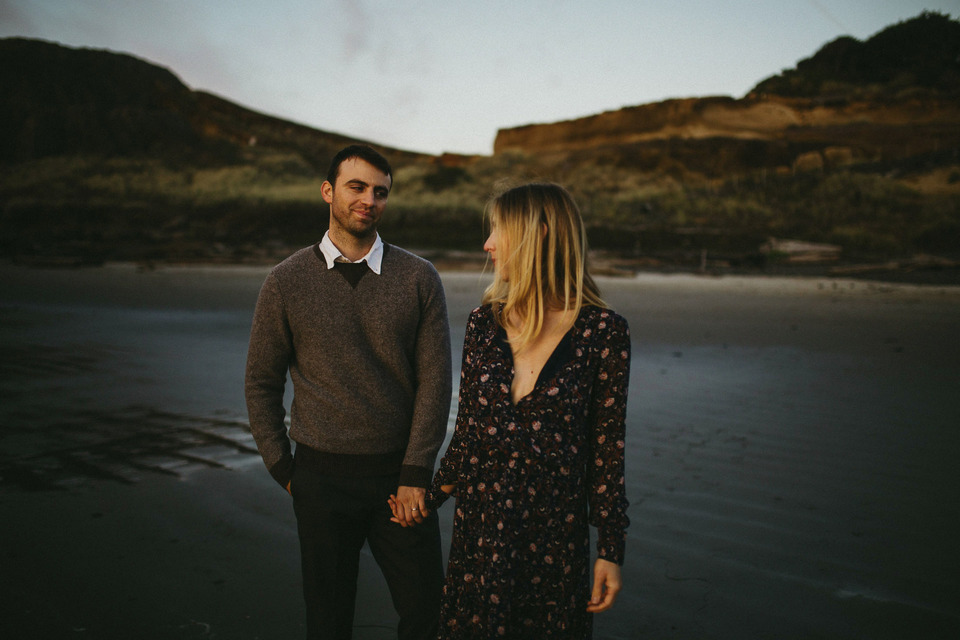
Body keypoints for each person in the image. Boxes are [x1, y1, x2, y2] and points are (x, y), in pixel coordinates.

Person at [392, 182, 631, 638]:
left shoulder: (605, 334)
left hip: (552, 548)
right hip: (479, 540)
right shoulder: (484, 324)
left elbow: (606, 455)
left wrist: (610, 551)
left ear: (538, 234)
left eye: (498, 230)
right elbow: (466, 434)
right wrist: (427, 497)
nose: (487, 244)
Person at [245, 144, 452, 640]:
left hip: (399, 481)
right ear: (328, 192)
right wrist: (283, 467)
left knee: (429, 614)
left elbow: (436, 382)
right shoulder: (285, 280)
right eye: (356, 187)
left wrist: (416, 471)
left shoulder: (419, 278)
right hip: (319, 480)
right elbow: (261, 381)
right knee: (328, 621)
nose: (369, 200)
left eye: (380, 192)